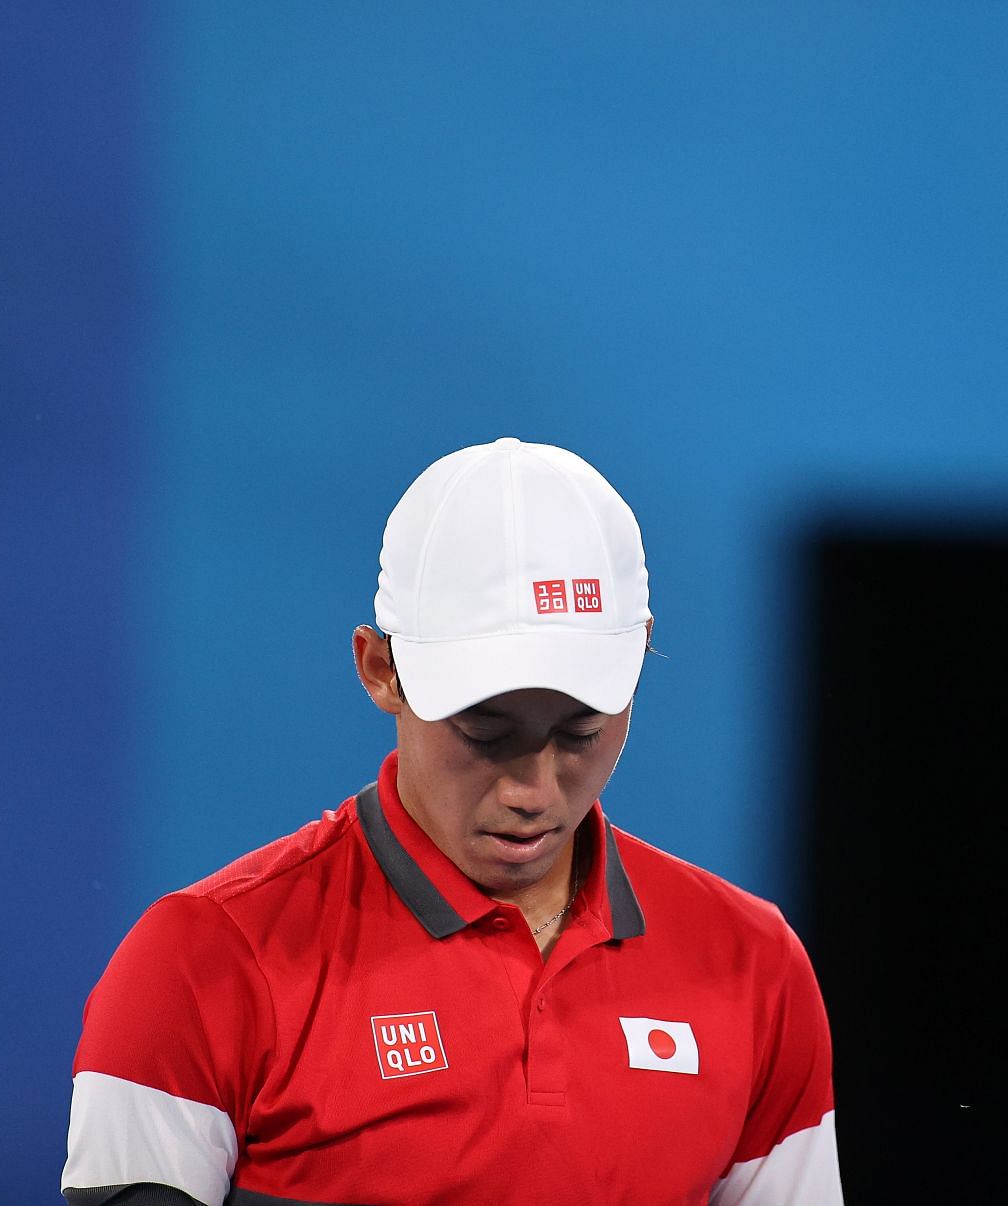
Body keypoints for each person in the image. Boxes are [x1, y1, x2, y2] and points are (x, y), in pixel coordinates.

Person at [62, 437, 841, 1205]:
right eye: (485, 732)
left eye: (580, 731)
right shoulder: (202, 963)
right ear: (379, 669)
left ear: (640, 656)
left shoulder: (755, 966)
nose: (533, 791)